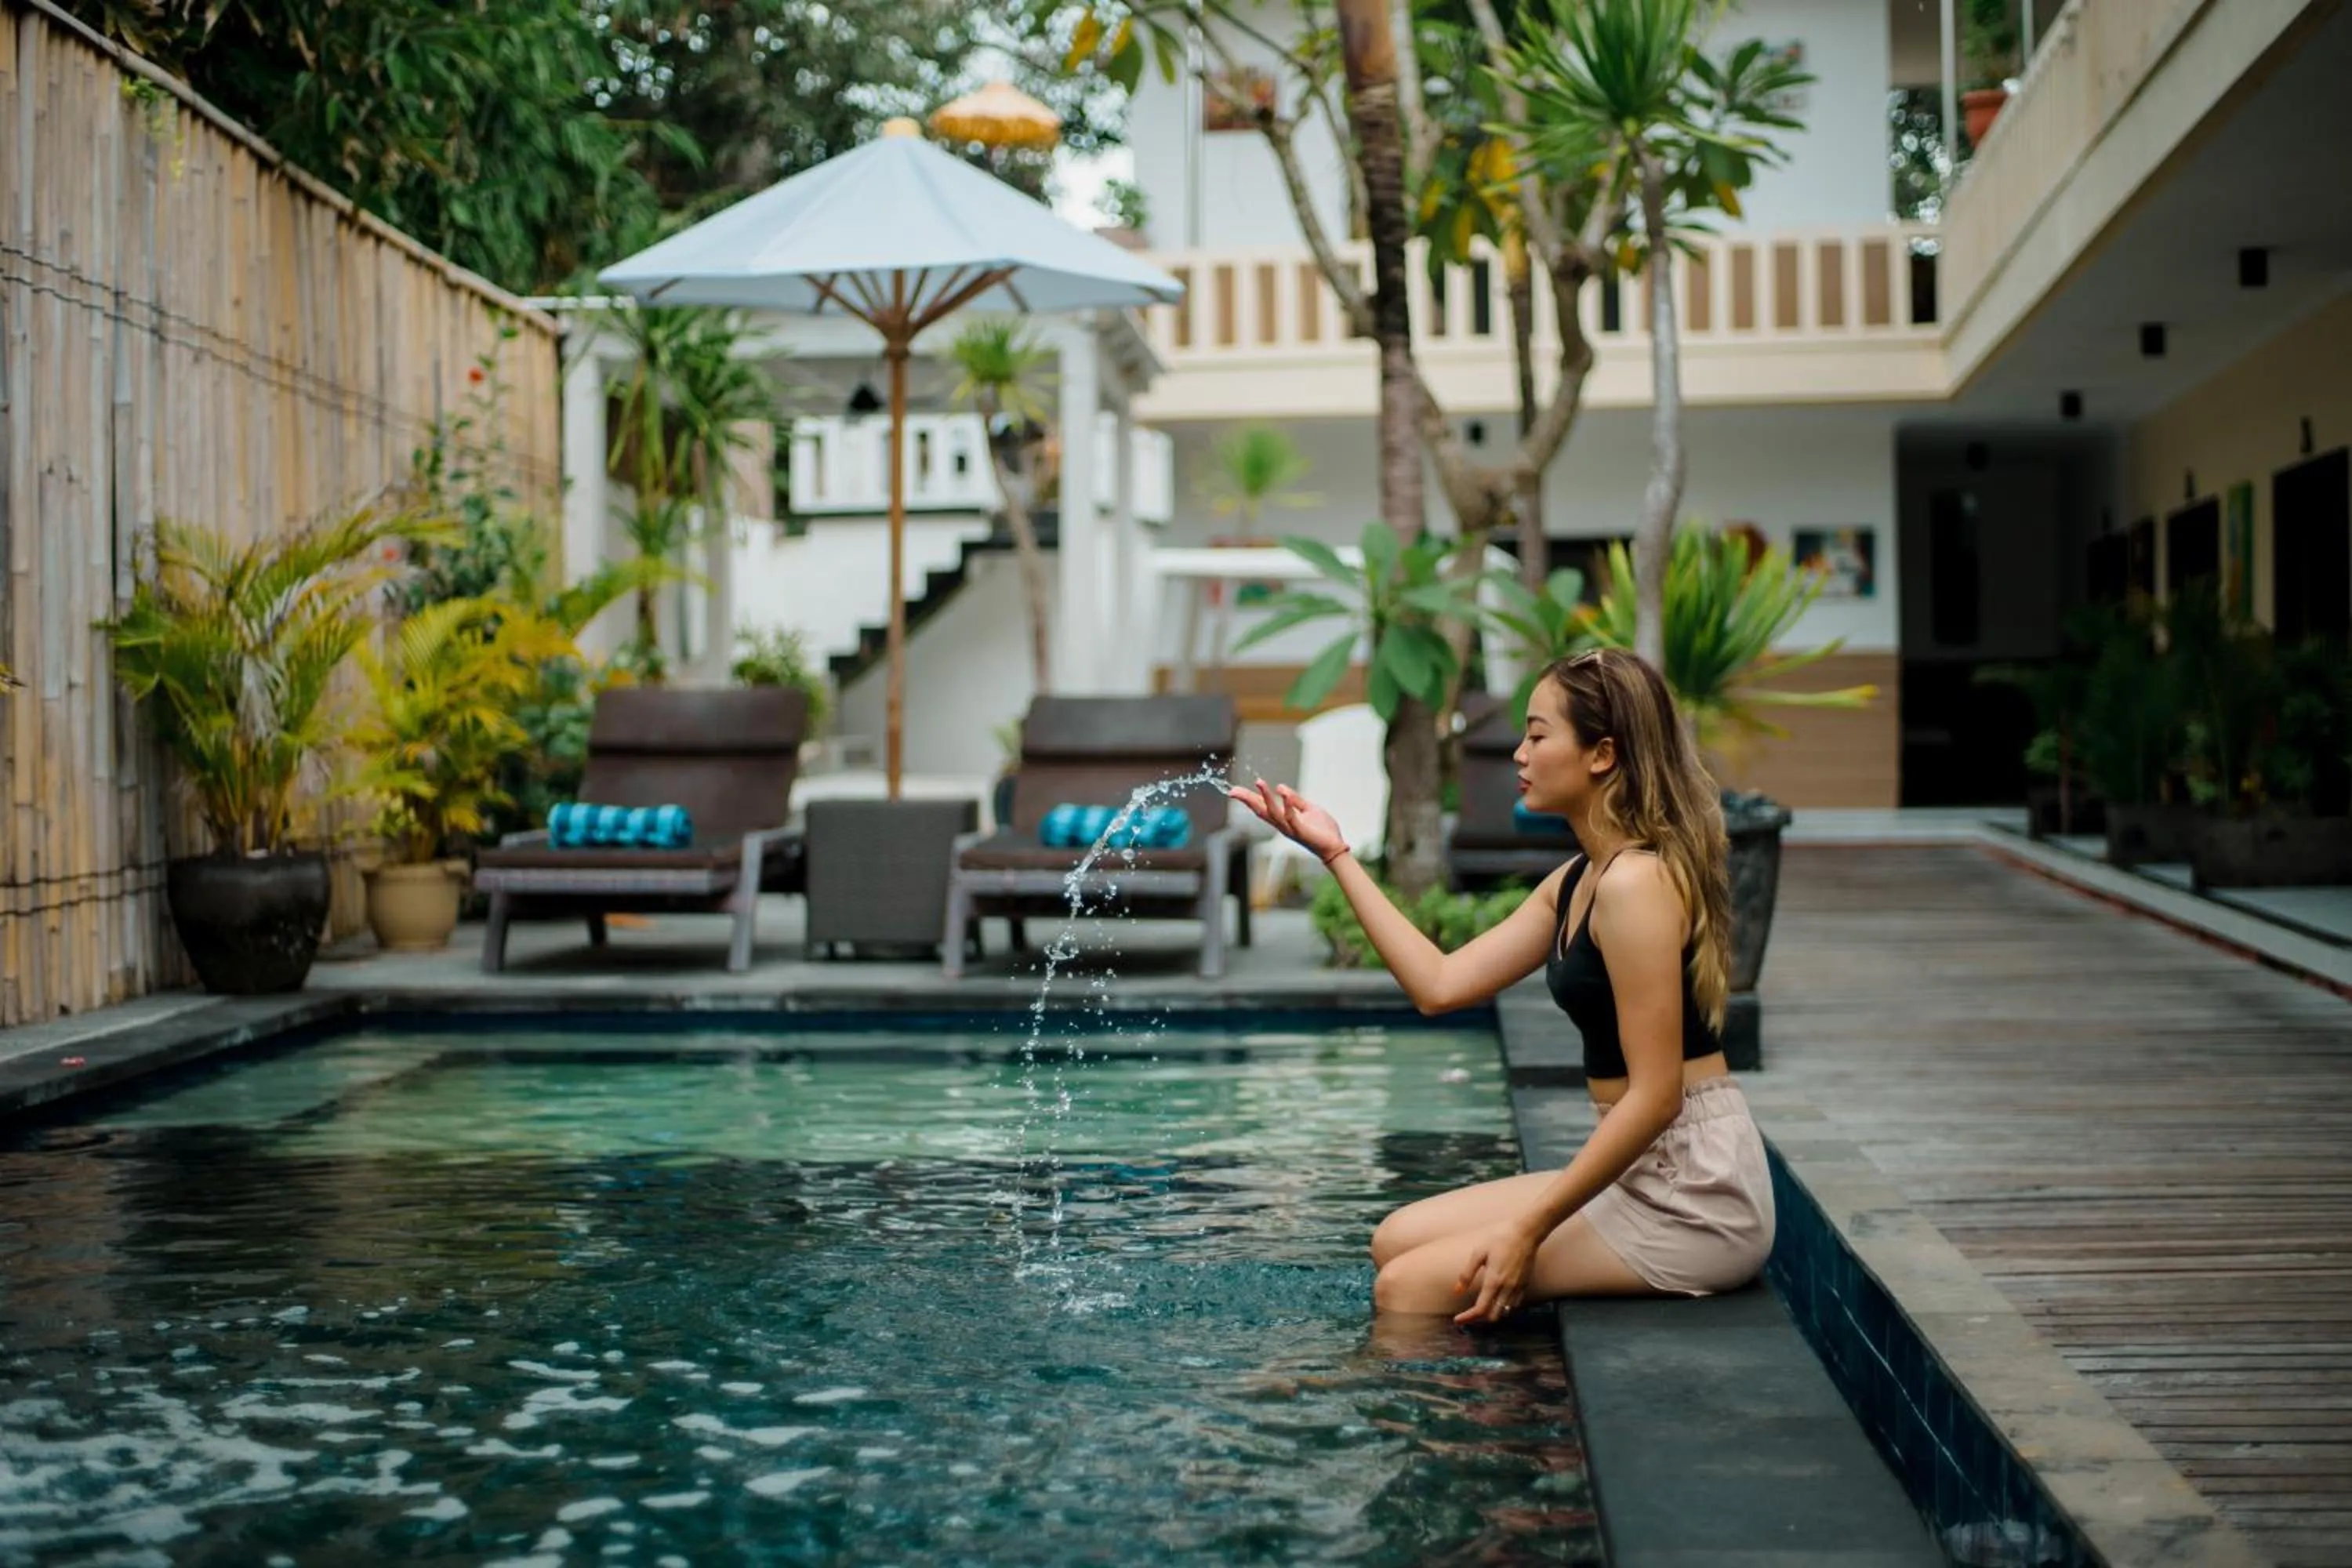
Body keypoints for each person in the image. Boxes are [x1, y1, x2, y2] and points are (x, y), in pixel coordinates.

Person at [1227, 648, 1774, 1327]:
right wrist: (1335, 853)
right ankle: (1486, 1375)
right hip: (1643, 1171)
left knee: (1405, 1289)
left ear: (1602, 755)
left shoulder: (1636, 884)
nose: (1519, 754)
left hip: (1695, 1194)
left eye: (1538, 736)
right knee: (1394, 1239)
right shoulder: (1579, 879)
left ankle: (1463, 1397)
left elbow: (1657, 1097)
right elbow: (1439, 984)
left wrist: (1528, 1230)